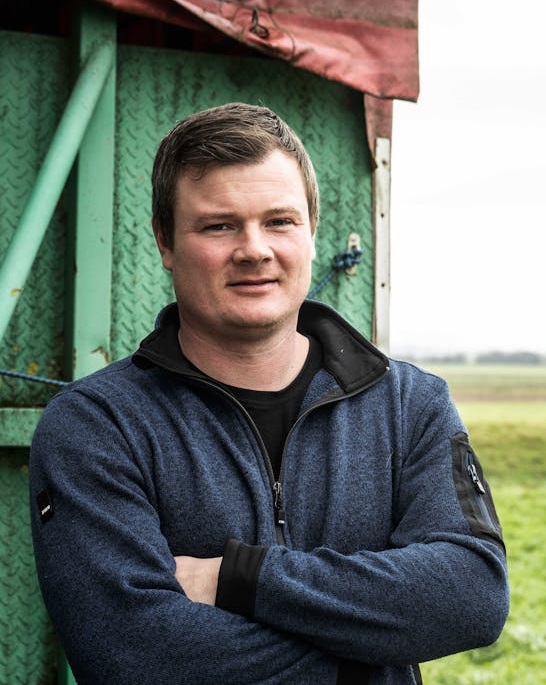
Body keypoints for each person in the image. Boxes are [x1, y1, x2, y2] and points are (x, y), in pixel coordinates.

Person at [30, 102, 509, 684]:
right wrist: (372, 647)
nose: (254, 249)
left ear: (311, 234)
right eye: (219, 225)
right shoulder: (97, 425)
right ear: (165, 242)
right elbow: (130, 654)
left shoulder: (409, 406)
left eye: (279, 221)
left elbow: (472, 596)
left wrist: (241, 578)